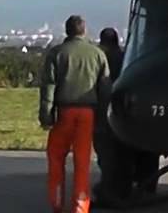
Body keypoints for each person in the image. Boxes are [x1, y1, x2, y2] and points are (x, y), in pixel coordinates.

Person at [40, 15, 112, 213]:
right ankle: (80, 207)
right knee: (82, 162)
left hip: (64, 112)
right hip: (88, 113)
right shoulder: (97, 54)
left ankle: (56, 202)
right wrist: (103, 116)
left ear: (67, 31)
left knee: (55, 157)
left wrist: (46, 116)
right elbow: (105, 88)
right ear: (84, 30)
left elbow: (48, 87)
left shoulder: (57, 53)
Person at [92, 27, 130, 205]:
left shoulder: (100, 58)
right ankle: (126, 186)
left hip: (104, 110)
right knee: (122, 151)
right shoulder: (126, 57)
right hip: (124, 110)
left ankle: (109, 189)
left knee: (106, 153)